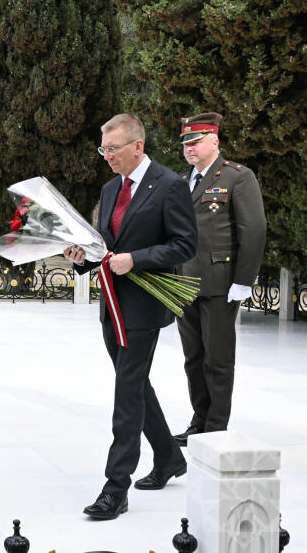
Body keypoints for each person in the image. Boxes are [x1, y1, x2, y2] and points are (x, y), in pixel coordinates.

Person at [64, 114, 198, 520]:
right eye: (102, 149)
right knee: (135, 383)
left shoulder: (169, 185)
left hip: (142, 307)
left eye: (113, 149)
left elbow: (184, 244)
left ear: (137, 145)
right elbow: (106, 245)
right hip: (112, 304)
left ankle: (115, 487)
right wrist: (82, 258)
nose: (107, 157)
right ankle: (170, 457)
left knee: (126, 394)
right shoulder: (109, 188)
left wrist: (136, 260)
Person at [172, 112, 266, 447]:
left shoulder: (237, 177)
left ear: (214, 140)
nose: (189, 149)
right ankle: (199, 422)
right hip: (184, 284)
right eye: (185, 143)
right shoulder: (184, 181)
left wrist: (243, 280)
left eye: (195, 142)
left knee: (218, 359)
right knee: (193, 358)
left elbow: (253, 231)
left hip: (219, 284)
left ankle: (215, 428)